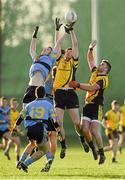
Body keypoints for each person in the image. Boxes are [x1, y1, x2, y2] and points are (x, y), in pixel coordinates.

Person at [69, 40, 111, 164]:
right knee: (83, 129)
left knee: (94, 131)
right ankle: (93, 148)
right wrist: (90, 48)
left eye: (103, 64)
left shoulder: (104, 79)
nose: (100, 65)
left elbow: (92, 88)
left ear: (106, 69)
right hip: (87, 105)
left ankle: (102, 153)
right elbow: (90, 59)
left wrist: (77, 85)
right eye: (101, 63)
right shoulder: (95, 72)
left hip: (96, 107)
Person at [53, 18, 89, 159]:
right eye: (67, 52)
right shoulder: (59, 60)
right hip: (59, 93)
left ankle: (81, 140)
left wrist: (71, 30)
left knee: (77, 124)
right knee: (58, 122)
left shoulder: (73, 63)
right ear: (63, 54)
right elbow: (57, 44)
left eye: (70, 52)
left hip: (71, 94)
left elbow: (75, 44)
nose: (69, 52)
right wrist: (58, 29)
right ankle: (64, 146)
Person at [12, 86, 59, 173]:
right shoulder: (48, 104)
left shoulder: (30, 104)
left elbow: (21, 117)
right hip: (40, 128)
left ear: (36, 94)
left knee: (32, 144)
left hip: (30, 129)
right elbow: (54, 119)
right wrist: (58, 130)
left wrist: (14, 128)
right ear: (44, 94)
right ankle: (26, 163)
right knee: (43, 150)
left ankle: (21, 161)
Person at [22, 25, 67, 109]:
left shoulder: (51, 59)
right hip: (30, 87)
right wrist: (34, 36)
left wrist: (64, 32)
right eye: (45, 49)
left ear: (50, 53)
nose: (46, 49)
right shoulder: (36, 58)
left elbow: (58, 44)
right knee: (24, 112)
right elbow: (32, 49)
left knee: (38, 112)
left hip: (39, 90)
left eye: (49, 49)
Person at [4, 98, 21, 162]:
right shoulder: (7, 111)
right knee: (16, 141)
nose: (15, 105)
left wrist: (18, 128)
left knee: (17, 143)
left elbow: (18, 123)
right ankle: (17, 160)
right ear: (11, 104)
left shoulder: (17, 112)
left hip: (13, 130)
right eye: (13, 104)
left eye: (16, 103)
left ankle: (7, 151)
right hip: (7, 129)